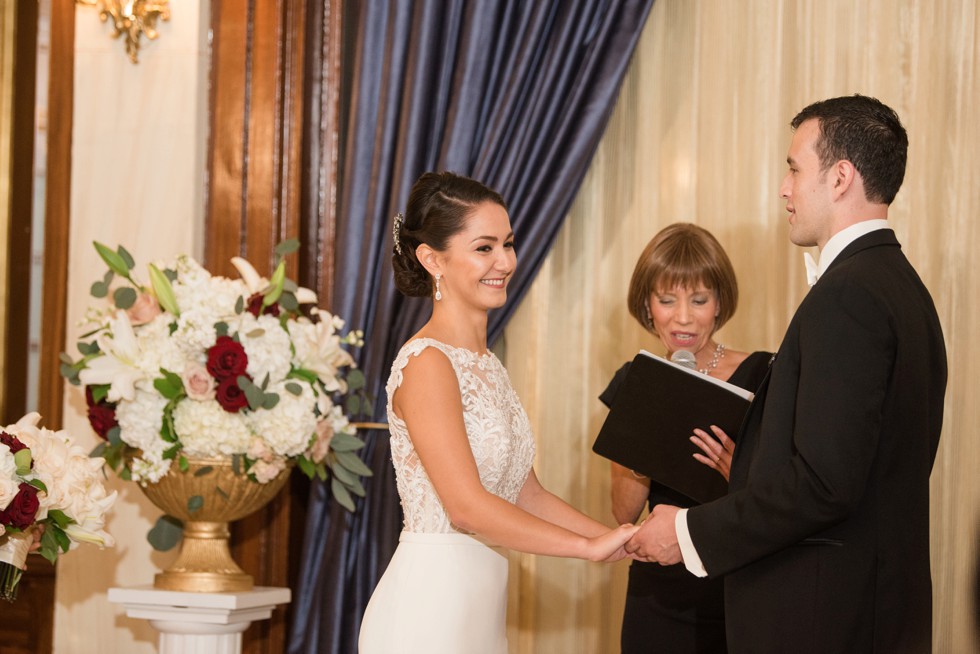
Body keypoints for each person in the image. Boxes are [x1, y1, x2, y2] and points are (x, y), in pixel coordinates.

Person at [626, 94, 947, 654]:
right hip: (869, 610)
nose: (784, 187)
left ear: (841, 177)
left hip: (825, 619)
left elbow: (823, 483)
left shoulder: (849, 295)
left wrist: (686, 532)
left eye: (795, 168)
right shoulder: (904, 289)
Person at [358, 171, 639, 654]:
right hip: (428, 611)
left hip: (478, 610)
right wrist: (584, 549)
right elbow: (466, 508)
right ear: (432, 259)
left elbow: (524, 492)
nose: (505, 262)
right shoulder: (427, 363)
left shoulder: (487, 365)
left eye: (507, 244)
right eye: (484, 248)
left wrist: (616, 538)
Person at [599, 222, 771, 653]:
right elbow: (624, 511)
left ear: (719, 304)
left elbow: (783, 497)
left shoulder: (765, 374)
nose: (683, 317)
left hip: (737, 583)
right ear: (647, 304)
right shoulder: (634, 380)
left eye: (698, 300)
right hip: (657, 591)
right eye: (666, 299)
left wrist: (738, 469)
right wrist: (640, 450)